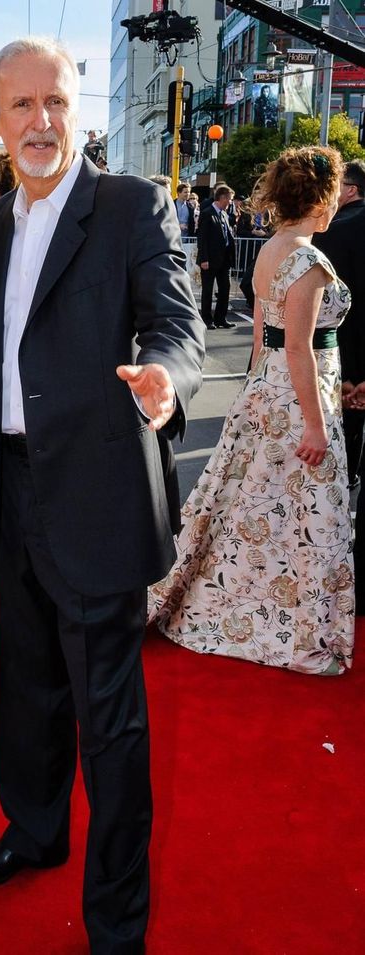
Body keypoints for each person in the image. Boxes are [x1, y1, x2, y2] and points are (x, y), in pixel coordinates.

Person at [0, 36, 205, 954]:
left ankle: (117, 921)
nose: (40, 122)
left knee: (111, 720)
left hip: (96, 486)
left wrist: (167, 381)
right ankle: (36, 831)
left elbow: (177, 322)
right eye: (20, 107)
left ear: (77, 107)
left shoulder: (133, 203)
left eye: (54, 101)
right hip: (8, 489)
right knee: (23, 688)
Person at [151, 145, 355, 674]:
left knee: (254, 507)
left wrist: (256, 392)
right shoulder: (307, 260)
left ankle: (244, 602)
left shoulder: (272, 249)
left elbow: (265, 338)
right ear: (323, 198)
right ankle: (291, 626)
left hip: (269, 387)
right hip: (299, 395)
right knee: (305, 510)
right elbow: (298, 348)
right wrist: (314, 422)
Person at [313, 159, 365, 613]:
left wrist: (351, 374)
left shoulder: (334, 235)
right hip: (340, 370)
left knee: (336, 467)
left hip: (338, 370)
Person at [197, 183, 236, 329]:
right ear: (222, 198)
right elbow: (202, 238)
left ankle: (221, 318)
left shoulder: (224, 214)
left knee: (225, 288)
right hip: (210, 259)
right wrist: (204, 258)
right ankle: (207, 319)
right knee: (208, 290)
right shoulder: (207, 213)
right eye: (229, 199)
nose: (230, 202)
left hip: (224, 259)